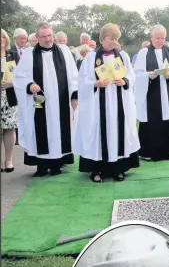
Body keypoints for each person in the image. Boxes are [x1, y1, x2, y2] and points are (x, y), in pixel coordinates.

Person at [74, 23, 140, 183]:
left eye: (117, 39)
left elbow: (132, 76)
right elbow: (82, 81)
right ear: (103, 38)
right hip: (98, 104)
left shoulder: (122, 56)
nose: (114, 42)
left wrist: (123, 81)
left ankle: (119, 169)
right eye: (112, 38)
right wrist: (95, 84)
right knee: (98, 133)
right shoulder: (91, 57)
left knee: (119, 131)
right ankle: (96, 170)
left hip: (119, 103)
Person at [13, 22, 78, 177]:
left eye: (50, 35)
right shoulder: (29, 54)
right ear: (37, 37)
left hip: (61, 100)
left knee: (59, 129)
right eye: (44, 36)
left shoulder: (63, 51)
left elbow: (74, 76)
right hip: (39, 99)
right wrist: (30, 85)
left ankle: (57, 164)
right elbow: (20, 77)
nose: (48, 39)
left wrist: (74, 96)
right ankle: (41, 166)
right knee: (39, 126)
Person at [134, 25, 169, 162]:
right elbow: (137, 74)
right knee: (153, 120)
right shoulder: (144, 53)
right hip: (152, 92)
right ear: (151, 37)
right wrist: (148, 76)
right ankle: (150, 151)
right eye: (158, 38)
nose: (160, 41)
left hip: (168, 91)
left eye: (163, 38)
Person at [1, 29, 19, 173]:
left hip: (9, 96)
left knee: (9, 128)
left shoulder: (12, 54)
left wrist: (11, 83)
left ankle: (8, 160)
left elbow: (21, 74)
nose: (1, 39)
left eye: (3, 36)